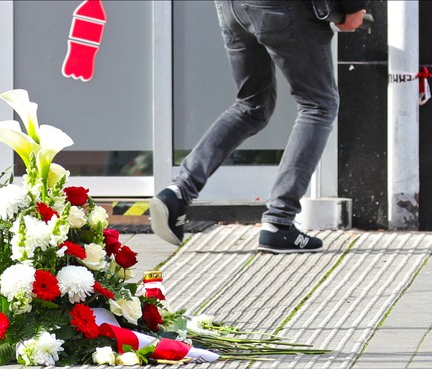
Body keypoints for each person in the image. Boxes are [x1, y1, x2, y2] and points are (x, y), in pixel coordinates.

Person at [151, 0, 367, 254]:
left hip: (232, 8)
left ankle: (179, 191)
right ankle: (279, 221)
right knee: (318, 105)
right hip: (280, 9)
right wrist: (353, 6)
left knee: (252, 105)